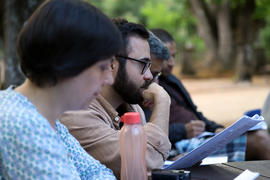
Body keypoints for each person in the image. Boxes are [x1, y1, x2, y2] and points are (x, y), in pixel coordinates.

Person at [0, 0, 123, 179]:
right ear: (68, 62)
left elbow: (97, 173)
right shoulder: (23, 124)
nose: (109, 79)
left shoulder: (47, 120)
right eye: (102, 67)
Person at [60, 18, 171, 178]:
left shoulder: (133, 107)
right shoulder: (76, 113)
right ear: (112, 63)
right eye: (143, 64)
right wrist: (162, 100)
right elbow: (144, 163)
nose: (149, 76)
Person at [151, 28, 270, 161]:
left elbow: (195, 112)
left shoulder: (172, 80)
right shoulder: (147, 84)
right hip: (179, 146)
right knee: (260, 140)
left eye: (174, 56)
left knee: (260, 134)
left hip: (203, 136)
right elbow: (149, 131)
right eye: (167, 57)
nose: (172, 62)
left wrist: (217, 129)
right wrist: (182, 130)